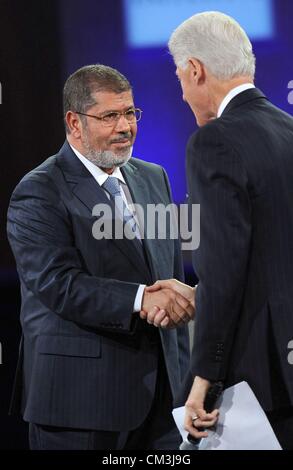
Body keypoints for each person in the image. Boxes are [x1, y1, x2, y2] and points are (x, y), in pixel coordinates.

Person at [7, 64, 194, 450]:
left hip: (162, 404)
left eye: (130, 113)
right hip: (81, 408)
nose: (125, 126)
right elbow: (58, 284)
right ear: (74, 122)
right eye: (110, 116)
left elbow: (168, 279)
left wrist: (189, 385)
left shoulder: (154, 176)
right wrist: (144, 298)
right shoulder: (39, 190)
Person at [145, 11, 293, 450]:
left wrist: (203, 378)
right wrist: (200, 295)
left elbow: (225, 268)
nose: (183, 93)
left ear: (196, 70)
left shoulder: (214, 141)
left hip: (256, 373)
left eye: (179, 79)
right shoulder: (288, 130)